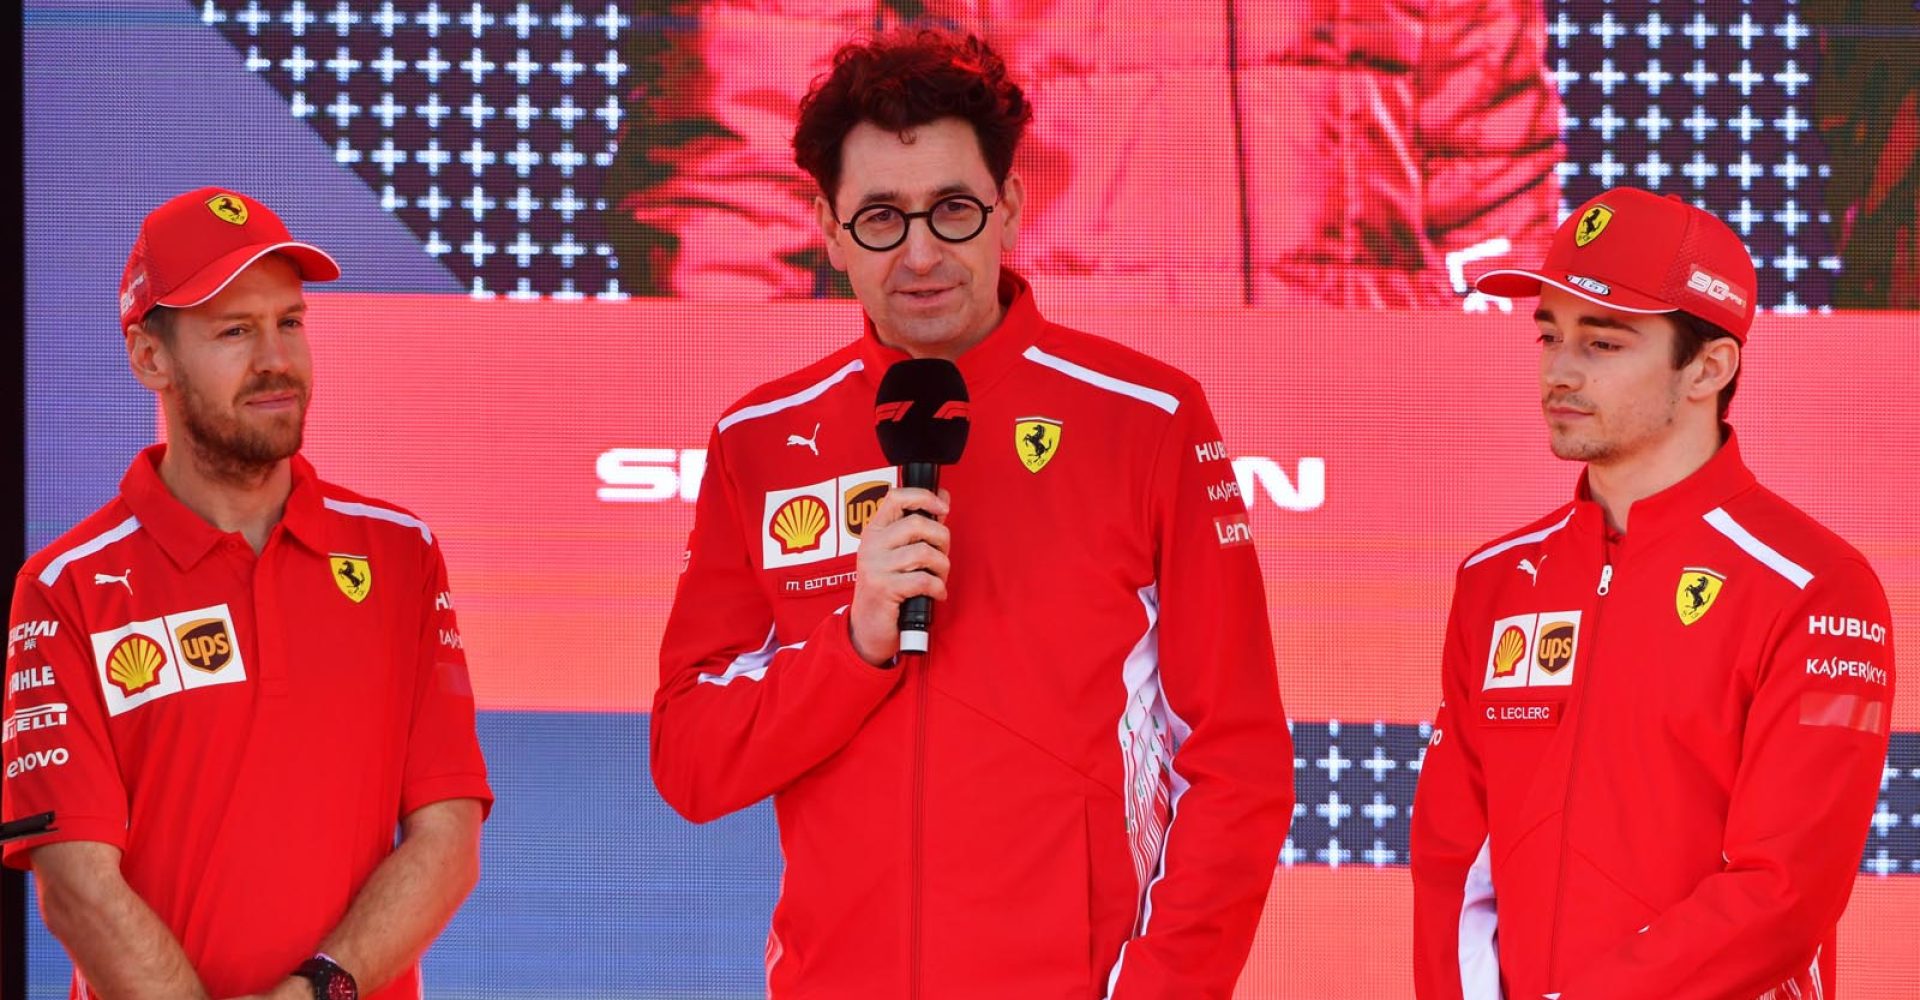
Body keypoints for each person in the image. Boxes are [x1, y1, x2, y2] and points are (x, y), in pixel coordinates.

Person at [650, 30, 1295, 998]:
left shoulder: (1148, 417)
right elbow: (691, 759)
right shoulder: (758, 439)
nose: (920, 254)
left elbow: (1238, 762)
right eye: (879, 218)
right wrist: (854, 645)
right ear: (826, 227)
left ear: (1011, 208)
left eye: (952, 210)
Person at [1, 188, 493, 1000]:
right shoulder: (67, 587)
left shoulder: (400, 553)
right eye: (235, 331)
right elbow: (76, 884)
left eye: (289, 323)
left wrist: (320, 989)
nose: (277, 360)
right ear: (149, 357)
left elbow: (448, 832)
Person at [1410, 187, 1895, 1000]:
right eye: (1549, 335)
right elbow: (1454, 859)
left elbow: (1782, 893)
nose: (1560, 371)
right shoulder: (1494, 579)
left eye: (1602, 343)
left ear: (1709, 366)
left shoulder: (1817, 589)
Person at [609, 0, 1559, 309]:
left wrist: (1474, 427)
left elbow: (1488, 157)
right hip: (1014, 442)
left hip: (1343, 459)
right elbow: (744, 165)